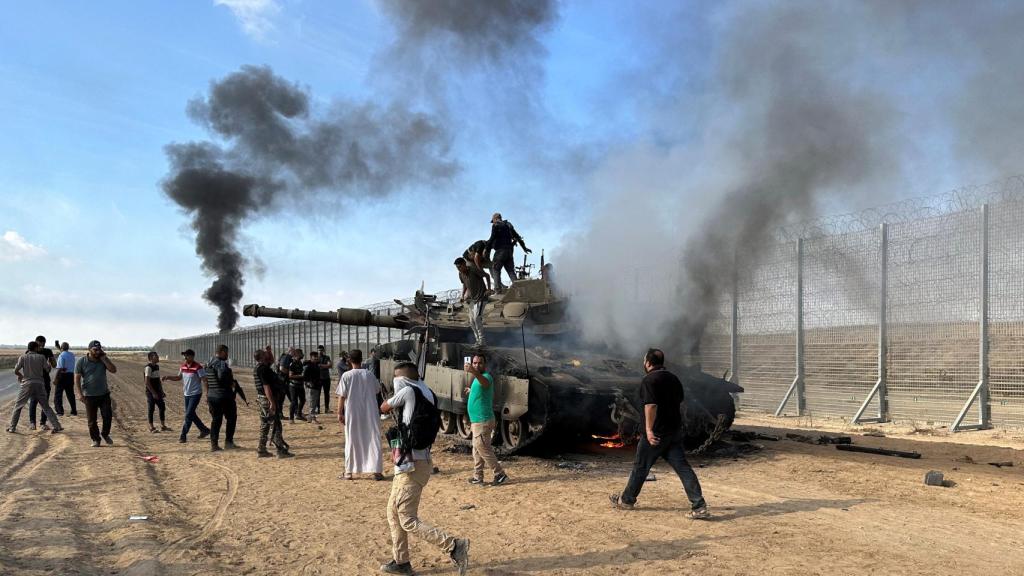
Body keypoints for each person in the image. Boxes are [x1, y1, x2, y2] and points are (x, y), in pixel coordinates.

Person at [379, 362, 469, 576]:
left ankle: (454, 546)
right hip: (415, 461)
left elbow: (384, 407)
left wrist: (389, 395)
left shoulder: (408, 391)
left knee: (407, 519)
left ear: (402, 379)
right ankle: (401, 561)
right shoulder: (427, 391)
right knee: (393, 512)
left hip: (412, 464)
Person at [609, 348, 710, 519]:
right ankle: (699, 505)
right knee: (683, 468)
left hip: (656, 434)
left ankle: (626, 500)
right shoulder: (674, 379)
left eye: (644, 361)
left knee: (640, 467)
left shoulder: (649, 380)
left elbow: (651, 405)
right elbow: (679, 401)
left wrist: (649, 430)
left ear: (648, 363)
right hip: (674, 431)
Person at [337, 349, 384, 480]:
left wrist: (339, 413)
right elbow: (376, 390)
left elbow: (342, 396)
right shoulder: (369, 374)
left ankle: (348, 472)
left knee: (352, 440)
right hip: (370, 412)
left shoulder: (346, 376)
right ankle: (377, 471)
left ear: (349, 360)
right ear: (361, 359)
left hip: (353, 412)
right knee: (372, 439)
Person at [463, 354, 508, 486]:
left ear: (485, 365)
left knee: (484, 449)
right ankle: (478, 476)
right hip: (476, 421)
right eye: (475, 363)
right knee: (476, 450)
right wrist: (471, 390)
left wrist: (474, 371)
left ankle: (499, 474)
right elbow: (482, 390)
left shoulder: (486, 376)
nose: (477, 365)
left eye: (480, 363)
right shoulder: (477, 379)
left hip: (483, 420)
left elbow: (485, 383)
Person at [6, 341, 63, 434]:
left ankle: (12, 427)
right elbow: (48, 370)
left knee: (18, 406)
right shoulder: (41, 357)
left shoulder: (23, 357)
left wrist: (20, 375)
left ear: (28, 348)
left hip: (27, 384)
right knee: (46, 407)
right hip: (40, 384)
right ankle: (57, 426)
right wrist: (48, 364)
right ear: (36, 348)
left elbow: (16, 370)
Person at [75, 340, 118, 446]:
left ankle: (105, 434)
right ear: (89, 349)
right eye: (95, 350)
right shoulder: (81, 361)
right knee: (92, 421)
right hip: (89, 395)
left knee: (107, 416)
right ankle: (96, 439)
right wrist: (80, 394)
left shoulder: (103, 360)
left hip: (104, 394)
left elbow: (113, 370)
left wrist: (104, 359)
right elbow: (77, 378)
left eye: (99, 349)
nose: (97, 352)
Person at [162, 349, 211, 444]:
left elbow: (205, 380)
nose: (185, 357)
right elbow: (178, 377)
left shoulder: (198, 367)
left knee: (188, 415)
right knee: (191, 414)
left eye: (187, 356)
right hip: (186, 394)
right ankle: (204, 430)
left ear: (192, 356)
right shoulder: (183, 366)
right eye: (184, 355)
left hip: (196, 394)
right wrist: (168, 377)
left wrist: (207, 394)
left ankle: (183, 436)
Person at [253, 350, 292, 458]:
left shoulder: (260, 367)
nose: (267, 355)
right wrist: (272, 402)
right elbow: (266, 387)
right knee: (275, 425)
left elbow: (271, 360)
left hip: (263, 399)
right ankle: (280, 451)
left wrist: (269, 351)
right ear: (261, 357)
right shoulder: (263, 369)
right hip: (267, 399)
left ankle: (261, 450)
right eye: (265, 354)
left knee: (265, 424)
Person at [205, 345, 239, 451]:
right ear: (222, 352)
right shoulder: (221, 363)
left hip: (212, 395)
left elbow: (206, 380)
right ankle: (229, 442)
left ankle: (214, 445)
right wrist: (231, 383)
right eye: (226, 353)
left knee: (216, 420)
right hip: (224, 396)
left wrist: (207, 394)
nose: (227, 355)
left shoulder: (208, 363)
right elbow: (222, 378)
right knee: (231, 418)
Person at [485, 213, 530, 293]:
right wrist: (524, 248)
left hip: (500, 252)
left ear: (495, 219)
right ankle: (519, 291)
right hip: (509, 252)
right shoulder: (508, 225)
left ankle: (498, 291)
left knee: (495, 269)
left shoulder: (496, 225)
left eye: (493, 221)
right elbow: (517, 237)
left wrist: (486, 249)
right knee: (511, 271)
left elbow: (492, 238)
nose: (493, 222)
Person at [455, 257, 489, 346]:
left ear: (464, 264)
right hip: (472, 300)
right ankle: (478, 340)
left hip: (481, 298)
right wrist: (462, 295)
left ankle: (482, 341)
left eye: (459, 267)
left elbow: (487, 276)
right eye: (457, 268)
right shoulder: (460, 274)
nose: (458, 269)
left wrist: (488, 289)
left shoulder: (473, 270)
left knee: (477, 318)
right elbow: (464, 285)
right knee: (471, 321)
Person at [28, 335, 57, 430]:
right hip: (40, 380)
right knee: (38, 401)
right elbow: (53, 365)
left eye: (42, 345)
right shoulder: (45, 351)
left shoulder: (31, 352)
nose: (41, 347)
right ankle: (38, 423)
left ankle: (37, 423)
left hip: (39, 380)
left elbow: (54, 365)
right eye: (40, 345)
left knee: (39, 401)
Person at [144, 351, 170, 433]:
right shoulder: (148, 368)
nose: (158, 357)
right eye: (156, 356)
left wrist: (161, 391)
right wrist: (153, 393)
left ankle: (163, 426)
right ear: (151, 358)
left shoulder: (157, 367)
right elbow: (147, 382)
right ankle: (152, 427)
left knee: (162, 407)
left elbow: (158, 381)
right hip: (151, 392)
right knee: (151, 409)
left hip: (158, 391)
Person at [54, 341, 77, 416]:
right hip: (70, 375)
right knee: (70, 394)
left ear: (61, 348)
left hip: (62, 376)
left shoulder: (61, 355)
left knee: (58, 394)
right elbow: (63, 352)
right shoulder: (72, 355)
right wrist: (58, 347)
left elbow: (60, 368)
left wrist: (55, 379)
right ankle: (74, 411)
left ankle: (60, 411)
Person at [287, 348, 307, 422]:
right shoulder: (293, 364)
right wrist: (301, 376)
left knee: (302, 400)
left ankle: (298, 414)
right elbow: (290, 376)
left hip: (300, 385)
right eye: (301, 354)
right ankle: (291, 418)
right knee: (294, 401)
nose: (302, 355)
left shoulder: (300, 363)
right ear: (297, 354)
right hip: (293, 386)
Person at [303, 350, 322, 424]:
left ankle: (310, 418)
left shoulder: (316, 365)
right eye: (315, 357)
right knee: (312, 402)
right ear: (311, 357)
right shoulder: (308, 366)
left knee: (314, 403)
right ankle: (313, 418)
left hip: (316, 386)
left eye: (317, 357)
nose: (316, 358)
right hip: (311, 387)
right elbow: (304, 376)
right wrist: (308, 383)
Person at [317, 345, 332, 414]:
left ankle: (326, 408)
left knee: (327, 394)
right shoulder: (316, 358)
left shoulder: (327, 357)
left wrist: (320, 365)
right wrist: (325, 366)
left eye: (321, 350)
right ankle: (318, 408)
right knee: (317, 394)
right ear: (317, 350)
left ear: (324, 351)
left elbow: (330, 365)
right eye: (319, 350)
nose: (320, 351)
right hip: (318, 378)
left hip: (326, 378)